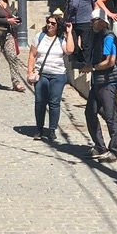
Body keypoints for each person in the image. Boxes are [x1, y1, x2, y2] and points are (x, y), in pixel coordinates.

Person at [78, 9, 117, 162]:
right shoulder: (96, 36)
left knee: (111, 117)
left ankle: (115, 149)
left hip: (108, 82)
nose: (91, 24)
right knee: (90, 113)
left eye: (94, 20)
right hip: (97, 82)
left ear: (102, 21)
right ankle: (100, 146)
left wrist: (93, 68)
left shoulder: (108, 37)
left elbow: (110, 61)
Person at [26, 14, 75, 142]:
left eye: (53, 23)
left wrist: (69, 33)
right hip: (42, 74)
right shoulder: (39, 37)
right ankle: (39, 128)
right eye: (48, 22)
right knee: (40, 101)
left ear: (58, 26)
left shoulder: (61, 39)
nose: (50, 25)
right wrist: (29, 72)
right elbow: (32, 55)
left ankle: (52, 129)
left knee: (54, 102)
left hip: (58, 75)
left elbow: (70, 50)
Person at [64, 0, 98, 70]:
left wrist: (95, 18)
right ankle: (78, 61)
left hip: (86, 21)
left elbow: (95, 5)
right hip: (73, 22)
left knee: (86, 44)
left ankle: (87, 64)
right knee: (73, 44)